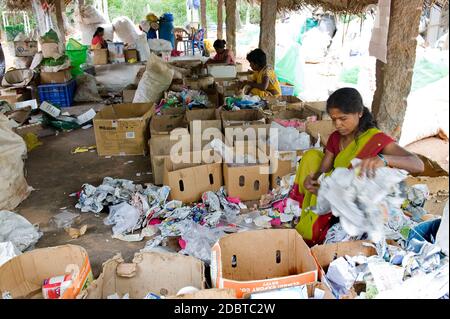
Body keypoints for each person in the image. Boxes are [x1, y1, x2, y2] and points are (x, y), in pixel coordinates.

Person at [291, 87, 424, 246]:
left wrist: (384, 159)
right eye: (334, 119)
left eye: (343, 118)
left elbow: (418, 164)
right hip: (337, 198)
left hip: (357, 204)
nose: (337, 124)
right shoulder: (336, 137)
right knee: (311, 156)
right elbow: (324, 168)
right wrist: (313, 180)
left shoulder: (376, 139)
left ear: (359, 113)